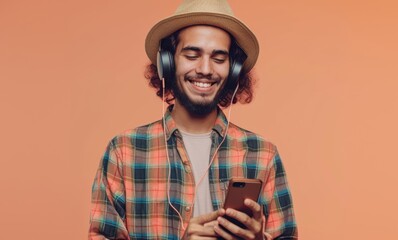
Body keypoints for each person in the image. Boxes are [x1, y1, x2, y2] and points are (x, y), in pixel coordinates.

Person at [89, 0, 298, 239]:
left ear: (233, 71)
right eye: (191, 54)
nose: (205, 69)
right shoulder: (124, 152)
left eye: (219, 59)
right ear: (167, 63)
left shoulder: (263, 154)